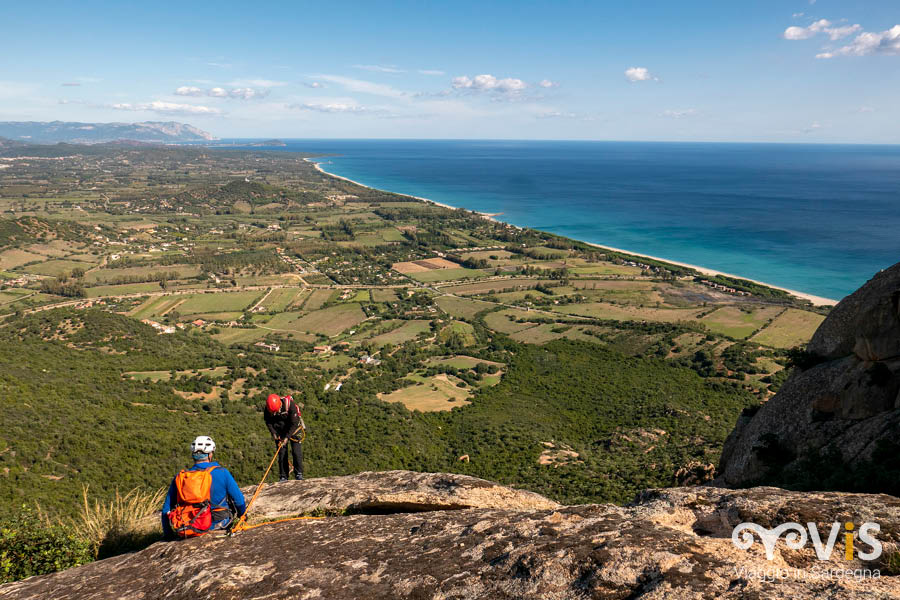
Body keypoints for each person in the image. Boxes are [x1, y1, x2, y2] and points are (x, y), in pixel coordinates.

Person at [162, 435, 246, 538]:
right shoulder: (222, 473)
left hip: (189, 526)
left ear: (193, 455)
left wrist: (168, 535)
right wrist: (243, 517)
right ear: (210, 455)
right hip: (220, 524)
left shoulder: (180, 478)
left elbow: (166, 509)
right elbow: (239, 500)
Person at [264, 393, 305, 482]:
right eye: (273, 412)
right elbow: (268, 422)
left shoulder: (290, 406)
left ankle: (299, 473)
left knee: (296, 452)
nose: (275, 413)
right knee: (282, 453)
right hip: (280, 430)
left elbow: (294, 424)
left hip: (294, 429)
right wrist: (274, 434)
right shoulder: (268, 408)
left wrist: (287, 438)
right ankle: (283, 476)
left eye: (276, 411)